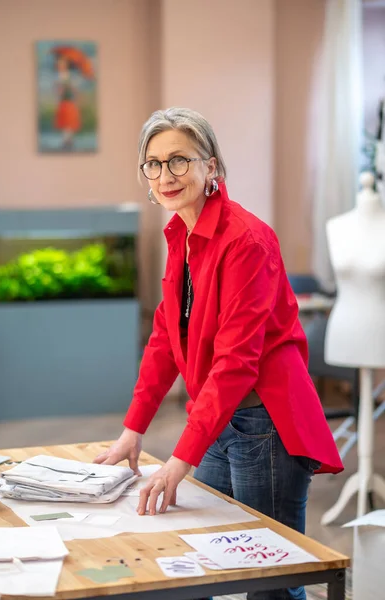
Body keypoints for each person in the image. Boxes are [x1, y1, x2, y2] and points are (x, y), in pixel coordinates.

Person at [94, 107, 343, 600]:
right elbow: (166, 337)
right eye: (154, 163)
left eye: (180, 161)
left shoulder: (247, 240)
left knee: (270, 582)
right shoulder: (180, 235)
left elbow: (237, 361)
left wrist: (180, 457)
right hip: (215, 419)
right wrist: (133, 429)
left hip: (264, 424)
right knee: (198, 558)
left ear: (212, 167)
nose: (166, 175)